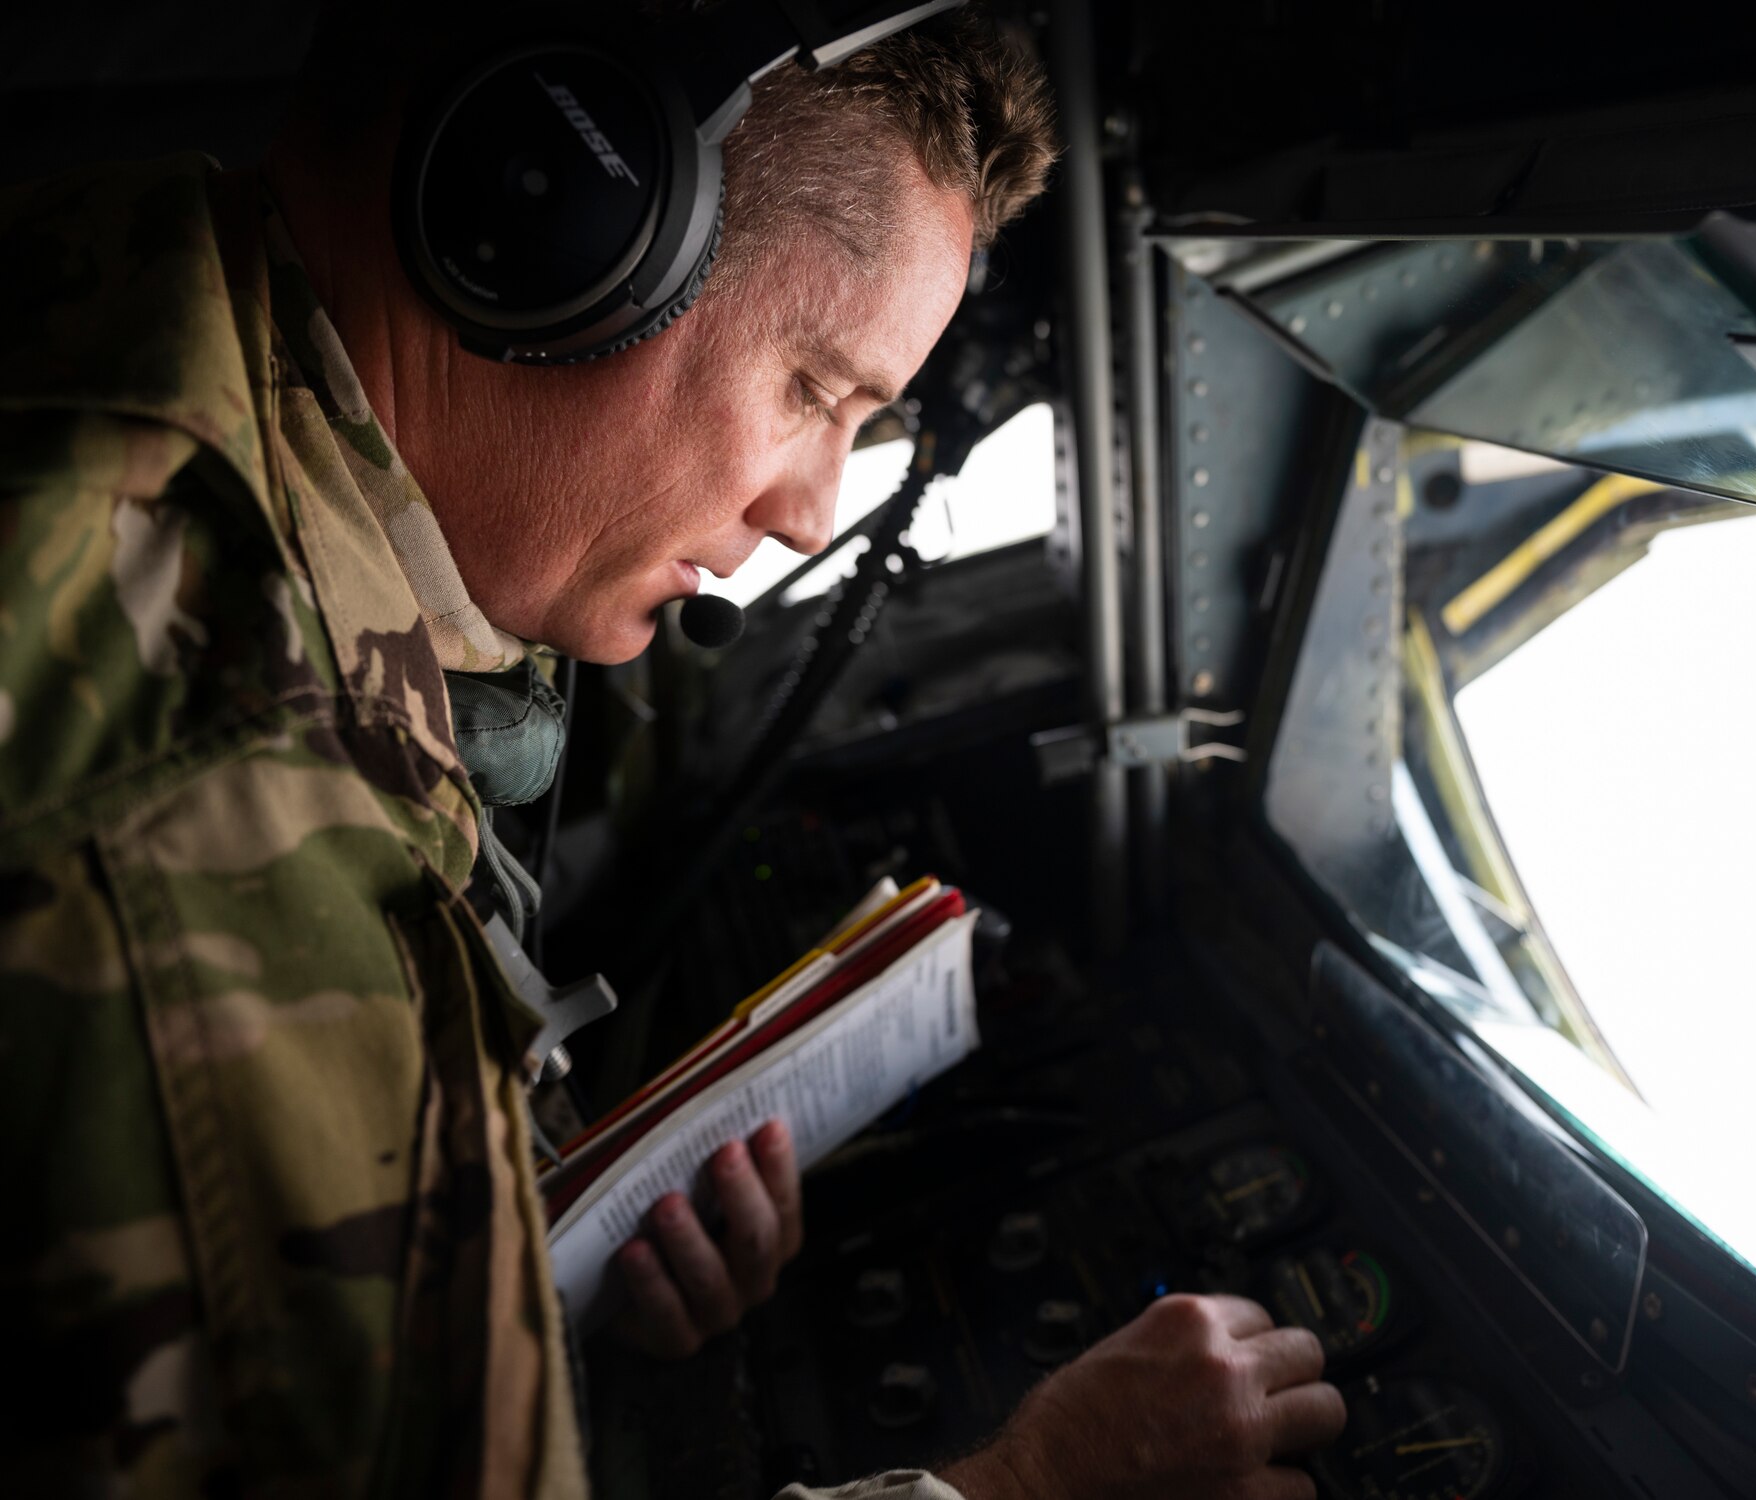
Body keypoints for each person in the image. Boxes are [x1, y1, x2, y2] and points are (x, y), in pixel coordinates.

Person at [0, 3, 1346, 1496]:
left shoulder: (111, 307)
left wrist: (534, 1246)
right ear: (561, 215)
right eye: (815, 391)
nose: (812, 511)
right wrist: (1028, 1487)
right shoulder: (204, 812)